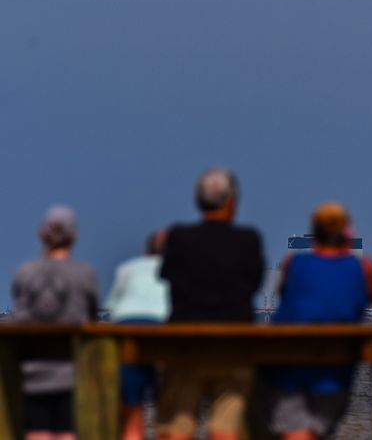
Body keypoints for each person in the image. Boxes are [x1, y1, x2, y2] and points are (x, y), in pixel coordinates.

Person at [157, 167, 265, 440]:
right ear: (232, 202)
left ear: (199, 201)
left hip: (185, 344)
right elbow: (254, 282)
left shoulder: (179, 238)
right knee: (226, 428)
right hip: (233, 343)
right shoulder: (248, 241)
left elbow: (167, 275)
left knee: (177, 428)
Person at [261, 202, 372, 440]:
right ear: (347, 234)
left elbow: (284, 294)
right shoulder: (361, 267)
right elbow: (371, 296)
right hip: (334, 375)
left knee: (295, 429)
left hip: (289, 369)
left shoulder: (293, 264)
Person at [12, 205, 98, 440]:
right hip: (71, 373)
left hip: (32, 372)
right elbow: (93, 318)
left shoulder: (24, 272)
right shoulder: (85, 274)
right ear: (74, 236)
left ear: (42, 234)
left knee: (36, 434)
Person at [105, 230, 170, 440]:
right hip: (165, 330)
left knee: (133, 411)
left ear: (145, 252)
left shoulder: (126, 269)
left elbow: (110, 309)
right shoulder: (177, 270)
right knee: (169, 414)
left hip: (128, 329)